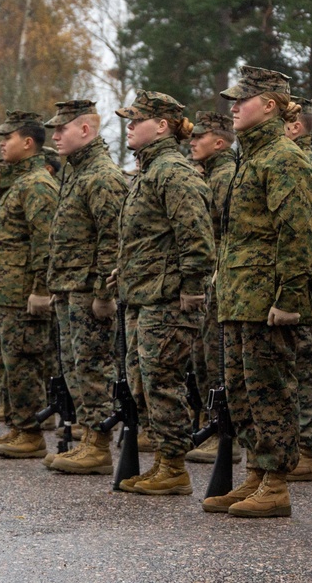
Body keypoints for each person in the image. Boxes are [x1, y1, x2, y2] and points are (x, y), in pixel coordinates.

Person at [202, 68, 312, 517]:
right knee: (243, 391)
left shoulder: (283, 158)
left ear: (269, 104)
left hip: (267, 301)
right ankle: (256, 472)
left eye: (242, 100)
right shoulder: (250, 159)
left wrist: (290, 298)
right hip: (240, 297)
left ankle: (276, 482)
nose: (232, 107)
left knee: (271, 390)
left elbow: (299, 235)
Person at [110, 90, 215, 496]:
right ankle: (163, 462)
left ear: (162, 125)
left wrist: (192, 288)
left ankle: (173, 466)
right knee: (141, 383)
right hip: (143, 294)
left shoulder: (173, 172)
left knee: (161, 381)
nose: (130, 127)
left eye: (137, 120)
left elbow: (197, 238)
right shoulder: (150, 172)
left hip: (169, 298)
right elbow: (151, 237)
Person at [44, 99, 128, 474]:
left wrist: (104, 293)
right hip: (68, 285)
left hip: (87, 289)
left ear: (86, 130)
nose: (55, 136)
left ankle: (98, 443)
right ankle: (88, 437)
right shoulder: (74, 172)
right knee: (74, 366)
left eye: (62, 129)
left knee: (92, 367)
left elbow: (112, 239)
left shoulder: (102, 175)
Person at [0, 110, 58, 458]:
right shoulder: (16, 184)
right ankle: (17, 426)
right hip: (3, 292)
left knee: (23, 363)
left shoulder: (37, 184)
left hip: (22, 293)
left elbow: (46, 241)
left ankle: (31, 432)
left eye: (7, 138)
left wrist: (40, 288)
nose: (1, 143)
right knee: (3, 361)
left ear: (27, 142)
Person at [183, 111, 237, 466]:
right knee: (205, 358)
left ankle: (222, 435)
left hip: (221, 279)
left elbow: (219, 232)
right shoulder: (212, 174)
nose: (192, 142)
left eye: (199, 137)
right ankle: (211, 428)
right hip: (212, 280)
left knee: (217, 359)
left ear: (218, 142)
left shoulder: (225, 176)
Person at [283, 96, 312, 483]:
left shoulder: (304, 167)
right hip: (294, 282)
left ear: (296, 126)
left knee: (305, 367)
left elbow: (308, 234)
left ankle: (307, 447)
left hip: (307, 284)